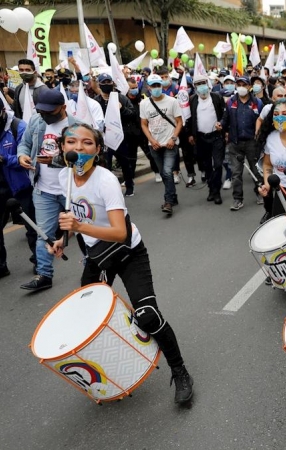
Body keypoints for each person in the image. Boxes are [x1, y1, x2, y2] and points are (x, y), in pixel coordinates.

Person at [49, 123, 194, 404]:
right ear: (62, 148)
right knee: (89, 317)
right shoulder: (64, 177)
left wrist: (78, 227)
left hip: (127, 252)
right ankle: (115, 370)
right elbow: (73, 213)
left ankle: (180, 370)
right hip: (98, 257)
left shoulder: (105, 181)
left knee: (147, 314)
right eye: (71, 142)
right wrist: (62, 237)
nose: (78, 148)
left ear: (98, 149)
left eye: (87, 143)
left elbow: (119, 232)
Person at [16, 88, 77, 292]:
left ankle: (92, 268)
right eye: (42, 111)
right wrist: (22, 156)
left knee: (82, 230)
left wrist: (56, 160)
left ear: (63, 108)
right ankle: (44, 274)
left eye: (50, 111)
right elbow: (24, 144)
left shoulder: (76, 126)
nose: (46, 115)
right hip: (43, 189)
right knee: (43, 232)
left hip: (71, 189)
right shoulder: (36, 121)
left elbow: (85, 159)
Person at [140, 74, 184, 216]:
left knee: (166, 171)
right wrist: (151, 140)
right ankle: (173, 196)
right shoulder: (144, 104)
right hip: (154, 145)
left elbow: (179, 122)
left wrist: (173, 138)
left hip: (170, 144)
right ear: (148, 88)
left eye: (158, 85)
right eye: (153, 86)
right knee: (164, 175)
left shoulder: (172, 101)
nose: (156, 88)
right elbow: (144, 124)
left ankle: (168, 202)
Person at [0, 104, 36, 277]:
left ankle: (40, 262)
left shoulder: (18, 126)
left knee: (31, 225)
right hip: (0, 187)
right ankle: (1, 265)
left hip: (20, 185)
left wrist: (4, 158)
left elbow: (28, 157)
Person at [221, 76, 263, 211]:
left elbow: (262, 121)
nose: (241, 87)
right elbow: (225, 120)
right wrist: (220, 125)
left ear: (249, 86)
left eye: (243, 85)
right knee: (236, 173)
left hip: (252, 143)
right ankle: (237, 199)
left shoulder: (257, 103)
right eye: (238, 84)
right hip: (235, 142)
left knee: (256, 170)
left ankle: (260, 193)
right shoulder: (230, 102)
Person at [93, 73, 137, 197]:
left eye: (109, 82)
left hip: (120, 136)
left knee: (125, 163)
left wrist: (122, 109)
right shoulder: (96, 101)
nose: (107, 85)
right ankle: (108, 190)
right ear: (99, 84)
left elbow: (132, 114)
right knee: (105, 164)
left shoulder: (121, 98)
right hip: (103, 138)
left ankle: (129, 186)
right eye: (104, 83)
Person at [186, 74, 226, 205]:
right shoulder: (192, 100)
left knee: (218, 164)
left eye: (203, 83)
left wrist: (222, 126)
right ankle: (211, 189)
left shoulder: (217, 97)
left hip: (216, 137)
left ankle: (217, 191)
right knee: (206, 165)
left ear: (208, 84)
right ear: (195, 87)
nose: (201, 87)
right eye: (198, 84)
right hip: (201, 138)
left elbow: (224, 115)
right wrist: (190, 134)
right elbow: (189, 118)